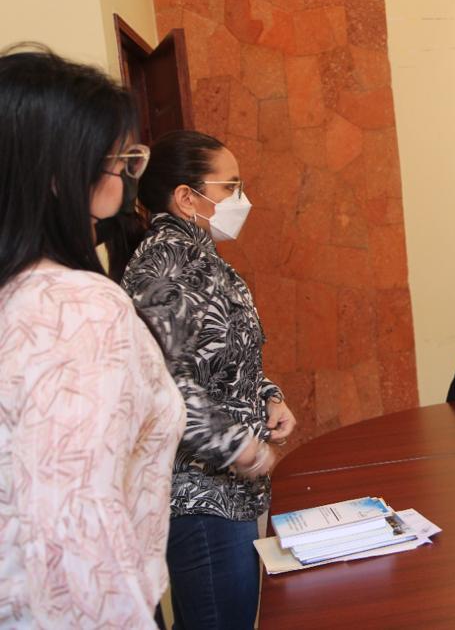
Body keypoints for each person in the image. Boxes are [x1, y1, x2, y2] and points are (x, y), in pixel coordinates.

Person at [0, 46, 184, 626]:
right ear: (58, 173)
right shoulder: (77, 306)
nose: (131, 173)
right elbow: (74, 529)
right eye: (120, 158)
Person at [120, 130, 297, 630]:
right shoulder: (164, 264)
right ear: (185, 197)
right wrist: (241, 447)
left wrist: (268, 396)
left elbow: (225, 358)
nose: (242, 200)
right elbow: (165, 381)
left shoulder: (205, 259)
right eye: (229, 187)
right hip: (197, 495)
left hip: (228, 493)